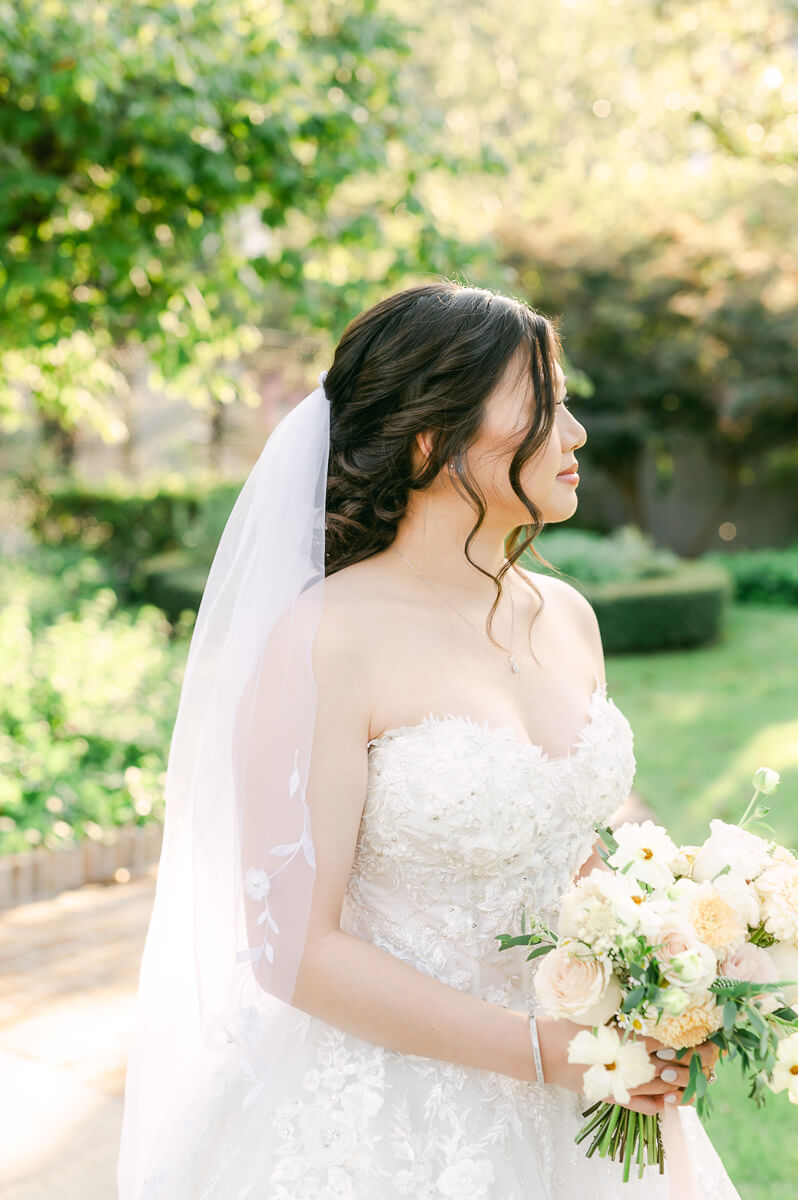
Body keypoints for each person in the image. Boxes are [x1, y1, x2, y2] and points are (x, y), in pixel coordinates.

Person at [118, 282, 742, 1198]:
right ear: (430, 438)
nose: (573, 436)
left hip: (580, 1090)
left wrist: (666, 989)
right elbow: (293, 945)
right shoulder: (327, 637)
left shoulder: (568, 617)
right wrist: (538, 1051)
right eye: (544, 407)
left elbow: (572, 856)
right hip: (384, 1115)